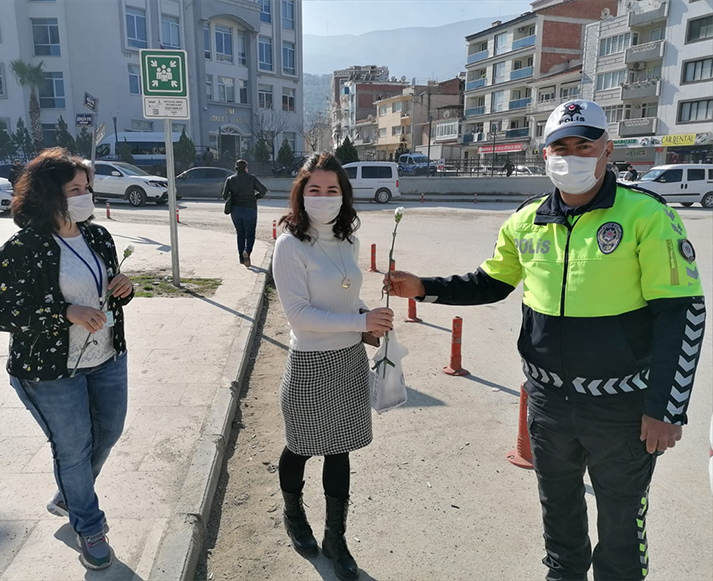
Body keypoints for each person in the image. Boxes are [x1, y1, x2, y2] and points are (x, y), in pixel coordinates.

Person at [385, 99, 706, 581]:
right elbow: (490, 282)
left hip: (622, 409)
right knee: (558, 517)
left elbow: (683, 315)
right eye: (560, 146)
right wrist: (425, 288)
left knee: (620, 531)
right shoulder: (526, 218)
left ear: (607, 150)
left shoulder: (646, 215)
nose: (571, 155)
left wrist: (666, 408)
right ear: (545, 152)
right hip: (547, 403)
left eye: (584, 145)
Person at [0, 148, 134, 570]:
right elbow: (2, 314)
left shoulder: (97, 236)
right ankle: (89, 527)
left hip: (105, 357)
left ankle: (69, 495)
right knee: (73, 449)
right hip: (49, 371)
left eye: (87, 188)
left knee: (108, 433)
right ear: (50, 194)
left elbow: (107, 292)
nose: (85, 195)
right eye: (75, 189)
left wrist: (123, 287)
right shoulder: (23, 247)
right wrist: (64, 313)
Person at [272, 152, 394, 581]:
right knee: (301, 445)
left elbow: (346, 296)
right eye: (314, 190)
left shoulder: (348, 240)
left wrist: (366, 322)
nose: (323, 198)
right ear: (301, 194)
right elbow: (299, 314)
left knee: (338, 448)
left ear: (344, 195)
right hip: (309, 361)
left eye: (332, 190)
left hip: (348, 360)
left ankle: (335, 537)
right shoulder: (289, 244)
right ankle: (294, 514)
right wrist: (358, 320)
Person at [222, 159, 268, 267]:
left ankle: (241, 258)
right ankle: (247, 251)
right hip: (250, 209)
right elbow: (263, 190)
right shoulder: (251, 179)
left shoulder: (230, 179)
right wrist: (255, 197)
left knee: (240, 234)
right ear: (246, 168)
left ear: (236, 168)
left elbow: (224, 195)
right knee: (250, 234)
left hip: (236, 210)